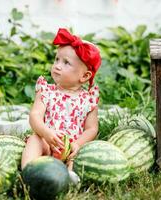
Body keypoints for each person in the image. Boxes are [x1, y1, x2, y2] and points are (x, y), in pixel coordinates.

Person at [21, 28, 101, 182]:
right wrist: (45, 133)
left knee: (81, 153)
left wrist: (77, 144)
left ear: (84, 76)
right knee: (34, 140)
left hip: (71, 146)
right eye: (57, 59)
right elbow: (35, 115)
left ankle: (68, 176)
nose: (57, 65)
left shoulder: (89, 99)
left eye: (66, 63)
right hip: (48, 142)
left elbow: (92, 128)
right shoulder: (46, 91)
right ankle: (28, 172)